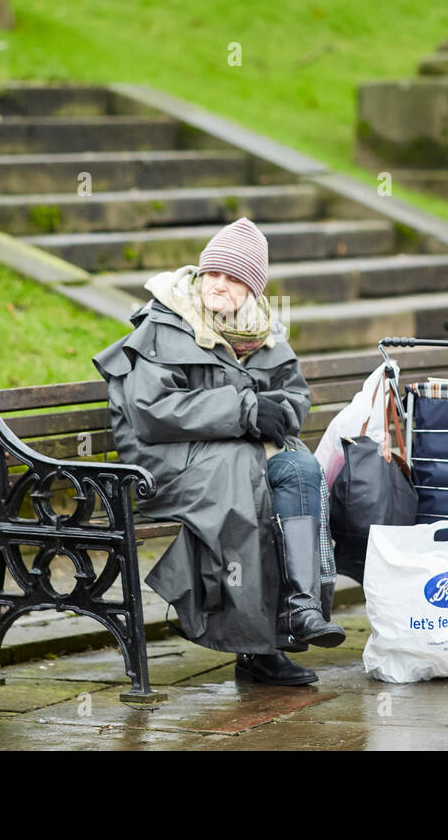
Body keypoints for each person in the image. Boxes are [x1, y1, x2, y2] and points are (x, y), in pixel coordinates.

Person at [92, 217, 343, 686]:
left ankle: (300, 608)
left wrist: (280, 414)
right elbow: (151, 411)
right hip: (162, 463)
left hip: (232, 457)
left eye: (235, 279)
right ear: (202, 273)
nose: (220, 286)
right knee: (246, 480)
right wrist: (246, 410)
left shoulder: (262, 330)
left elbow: (295, 395)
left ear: (251, 290)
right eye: (215, 274)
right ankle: (257, 646)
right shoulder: (163, 323)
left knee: (299, 467)